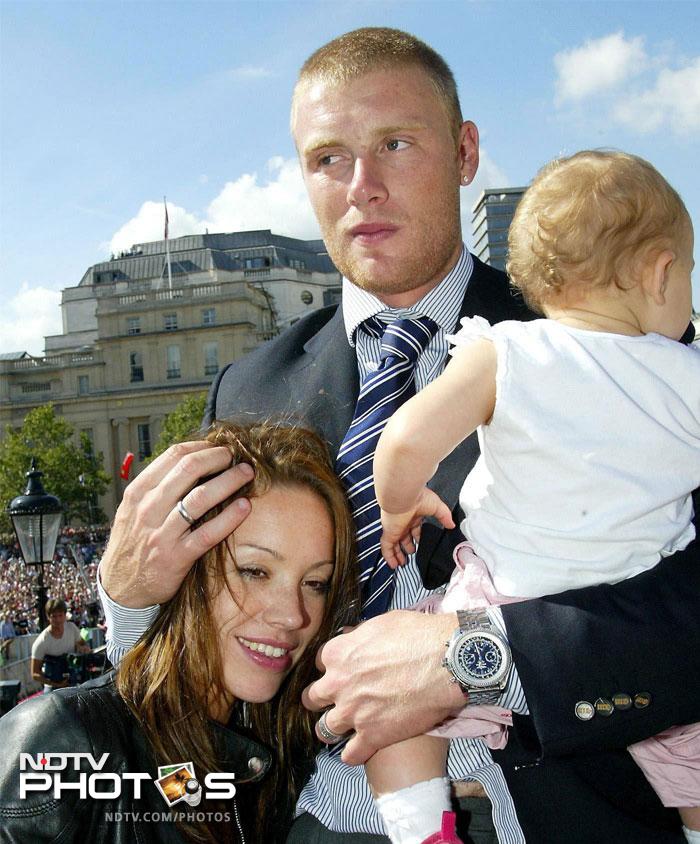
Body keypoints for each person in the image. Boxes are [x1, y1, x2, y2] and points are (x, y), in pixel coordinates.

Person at [98, 27, 698, 844]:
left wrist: (475, 658)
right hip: (308, 820)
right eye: (328, 159)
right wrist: (129, 599)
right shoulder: (249, 387)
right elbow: (212, 665)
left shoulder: (612, 339)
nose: (362, 187)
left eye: (395, 144)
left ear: (464, 152)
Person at [371, 150, 700, 843]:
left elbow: (402, 443)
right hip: (631, 624)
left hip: (503, 600)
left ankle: (418, 825)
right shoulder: (688, 374)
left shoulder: (507, 352)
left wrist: (402, 503)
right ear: (661, 270)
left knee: (393, 703)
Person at [0, 421, 358, 843]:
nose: (293, 616)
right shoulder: (65, 742)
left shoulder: (292, 755)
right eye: (255, 571)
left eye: (315, 583)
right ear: (187, 571)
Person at [30, 598, 91, 692]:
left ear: (65, 615)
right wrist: (55, 684)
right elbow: (35, 673)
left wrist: (84, 648)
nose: (58, 619)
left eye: (60, 615)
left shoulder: (72, 628)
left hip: (73, 680)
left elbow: (82, 643)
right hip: (52, 687)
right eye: (54, 616)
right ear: (48, 616)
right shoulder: (41, 642)